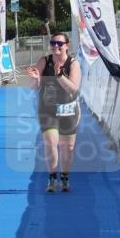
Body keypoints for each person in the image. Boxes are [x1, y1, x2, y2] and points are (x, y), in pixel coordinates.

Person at [25, 32, 82, 193]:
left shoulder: (73, 64)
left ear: (66, 46)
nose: (55, 46)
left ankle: (65, 177)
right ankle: (52, 178)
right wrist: (36, 79)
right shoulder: (44, 61)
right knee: (50, 143)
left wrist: (59, 76)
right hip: (47, 109)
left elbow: (73, 89)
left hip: (68, 109)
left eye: (59, 43)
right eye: (53, 43)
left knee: (68, 147)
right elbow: (33, 87)